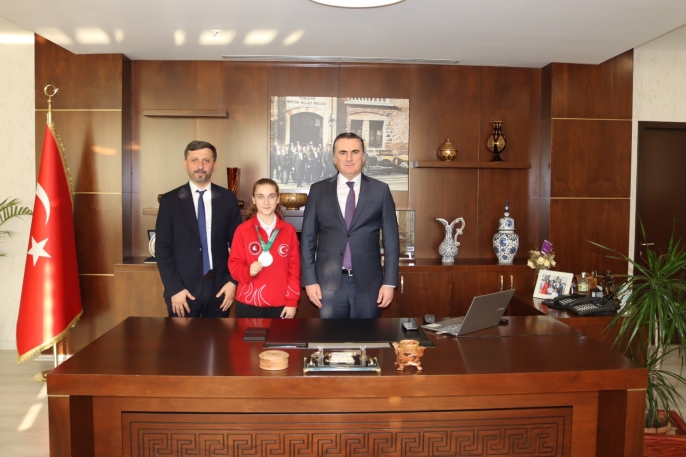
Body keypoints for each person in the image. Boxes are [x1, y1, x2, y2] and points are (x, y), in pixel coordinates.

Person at [301, 132, 399, 318]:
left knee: (368, 335)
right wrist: (310, 280)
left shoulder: (380, 190)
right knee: (331, 335)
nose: (349, 158)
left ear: (363, 157)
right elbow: (307, 239)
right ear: (334, 158)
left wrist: (389, 283)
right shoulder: (318, 190)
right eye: (343, 152)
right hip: (328, 284)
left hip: (369, 284)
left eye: (355, 152)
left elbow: (391, 241)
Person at [155, 140, 243, 317]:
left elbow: (239, 245)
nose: (200, 166)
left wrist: (233, 282)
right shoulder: (170, 201)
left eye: (206, 160)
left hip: (220, 289)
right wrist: (174, 289)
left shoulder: (228, 199)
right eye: (194, 160)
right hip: (183, 292)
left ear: (214, 165)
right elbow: (162, 250)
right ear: (185, 164)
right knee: (182, 337)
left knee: (218, 336)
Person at [228, 178, 300, 318]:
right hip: (248, 303)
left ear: (278, 198)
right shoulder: (242, 230)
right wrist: (248, 271)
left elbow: (294, 269)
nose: (266, 202)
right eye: (260, 197)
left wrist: (292, 301)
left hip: (281, 303)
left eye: (271, 196)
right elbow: (234, 265)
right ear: (253, 199)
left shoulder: (289, 231)